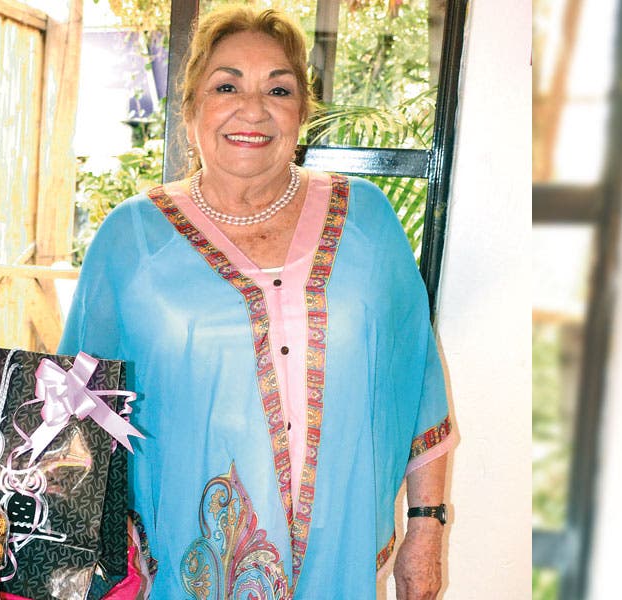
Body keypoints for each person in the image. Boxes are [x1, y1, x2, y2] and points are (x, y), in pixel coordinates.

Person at [59, 6, 456, 599]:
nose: (253, 108)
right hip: (188, 561)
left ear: (302, 112)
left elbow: (416, 379)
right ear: (190, 108)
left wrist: (427, 527)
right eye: (227, 86)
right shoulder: (130, 238)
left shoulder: (367, 220)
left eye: (279, 89)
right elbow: (78, 408)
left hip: (339, 556)